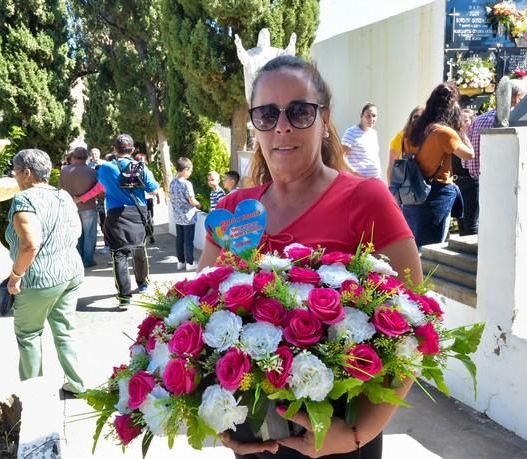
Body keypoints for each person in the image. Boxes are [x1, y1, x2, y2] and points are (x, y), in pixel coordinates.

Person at [198, 55, 422, 459]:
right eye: (266, 114)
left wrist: (358, 432)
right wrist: (220, 417)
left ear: (324, 119)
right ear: (255, 124)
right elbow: (199, 313)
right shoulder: (232, 209)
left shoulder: (366, 199)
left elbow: (413, 331)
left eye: (299, 111)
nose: (282, 125)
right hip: (254, 438)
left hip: (338, 437)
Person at [6, 148, 86, 395]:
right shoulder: (63, 195)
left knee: (28, 335)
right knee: (65, 331)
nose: (15, 177)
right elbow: (78, 232)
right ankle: (77, 384)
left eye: (16, 172)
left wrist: (15, 277)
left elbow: (30, 245)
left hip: (39, 279)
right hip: (70, 272)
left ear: (27, 173)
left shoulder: (24, 200)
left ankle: (33, 395)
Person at [401, 82, 475, 248]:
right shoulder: (444, 132)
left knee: (412, 243)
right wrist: (460, 131)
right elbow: (469, 155)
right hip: (437, 192)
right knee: (431, 248)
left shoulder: (412, 129)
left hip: (411, 191)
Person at [97, 134, 159, 308]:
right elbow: (154, 190)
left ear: (115, 149)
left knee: (119, 254)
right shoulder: (140, 167)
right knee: (140, 249)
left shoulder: (105, 168)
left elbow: (101, 184)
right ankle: (143, 284)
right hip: (138, 213)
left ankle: (124, 298)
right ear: (132, 150)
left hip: (116, 215)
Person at [461, 79, 527, 235]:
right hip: (497, 180)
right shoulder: (508, 121)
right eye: (522, 98)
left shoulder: (479, 119)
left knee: (479, 220)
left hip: (475, 178)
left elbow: (467, 157)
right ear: (516, 97)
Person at [59, 147, 98, 268]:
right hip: (88, 206)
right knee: (89, 234)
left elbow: (60, 189)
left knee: (75, 233)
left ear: (73, 157)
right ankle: (88, 260)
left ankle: (78, 259)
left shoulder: (64, 171)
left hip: (69, 207)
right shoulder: (92, 172)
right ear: (87, 158)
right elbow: (99, 191)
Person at [170, 157, 201, 271]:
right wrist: (199, 204)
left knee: (180, 239)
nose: (190, 173)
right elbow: (191, 200)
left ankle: (181, 261)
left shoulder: (172, 182)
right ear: (185, 169)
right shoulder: (186, 183)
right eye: (190, 170)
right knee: (188, 240)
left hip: (177, 216)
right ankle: (190, 262)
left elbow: (172, 199)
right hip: (188, 216)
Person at [453, 109, 477, 236]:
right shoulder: (455, 138)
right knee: (461, 222)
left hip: (470, 181)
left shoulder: (472, 138)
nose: (462, 123)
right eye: (460, 120)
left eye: (466, 120)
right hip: (457, 183)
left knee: (471, 223)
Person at [342, 103, 381, 178]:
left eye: (374, 116)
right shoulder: (351, 132)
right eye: (368, 116)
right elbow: (341, 156)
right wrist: (354, 173)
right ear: (361, 116)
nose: (371, 119)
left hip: (375, 179)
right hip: (359, 180)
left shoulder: (373, 133)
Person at [386, 106, 424, 184]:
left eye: (422, 117)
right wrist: (391, 189)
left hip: (424, 184)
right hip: (405, 185)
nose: (418, 120)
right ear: (410, 119)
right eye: (416, 116)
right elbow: (391, 165)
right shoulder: (401, 137)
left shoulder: (429, 137)